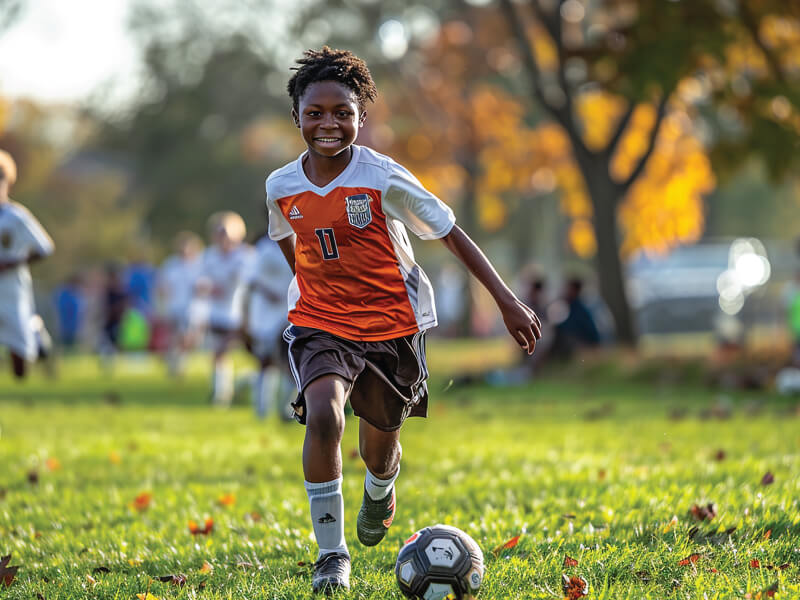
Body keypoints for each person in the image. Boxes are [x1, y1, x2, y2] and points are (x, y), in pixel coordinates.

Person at [265, 47, 541, 593]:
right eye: (315, 112)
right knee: (323, 416)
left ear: (361, 117)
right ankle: (331, 555)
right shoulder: (281, 185)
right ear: (296, 116)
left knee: (379, 449)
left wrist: (506, 301)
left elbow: (450, 233)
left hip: (393, 326)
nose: (328, 123)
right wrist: (314, 285)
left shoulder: (383, 176)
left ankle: (380, 488)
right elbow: (286, 237)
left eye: (342, 112)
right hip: (321, 322)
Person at [0, 149, 55, 379]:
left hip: (12, 288)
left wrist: (12, 263)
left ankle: (34, 328)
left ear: (8, 183)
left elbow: (45, 248)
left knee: (20, 367)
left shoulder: (17, 216)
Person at [195, 211, 253, 406]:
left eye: (225, 232)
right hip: (217, 314)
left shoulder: (245, 256)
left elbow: (245, 283)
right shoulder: (209, 255)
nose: (222, 237)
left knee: (257, 356)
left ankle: (244, 385)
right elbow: (200, 281)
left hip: (242, 314)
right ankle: (222, 394)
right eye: (218, 232)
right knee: (219, 354)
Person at [242, 233, 294, 418]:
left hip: (289, 311)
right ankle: (262, 409)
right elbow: (250, 280)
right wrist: (267, 292)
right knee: (265, 361)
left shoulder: (300, 239)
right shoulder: (263, 248)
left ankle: (287, 408)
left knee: (290, 360)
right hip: (264, 314)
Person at [156, 231, 205, 376]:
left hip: (195, 308)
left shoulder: (200, 264)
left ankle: (176, 358)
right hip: (176, 307)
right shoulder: (171, 265)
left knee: (192, 339)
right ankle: (177, 363)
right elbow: (163, 286)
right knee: (178, 336)